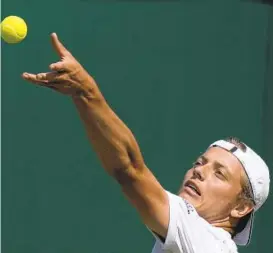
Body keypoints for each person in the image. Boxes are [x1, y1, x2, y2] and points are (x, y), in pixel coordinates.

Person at [22, 33, 271, 253]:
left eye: (220, 174)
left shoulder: (206, 243)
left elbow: (129, 170)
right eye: (200, 162)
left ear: (241, 207)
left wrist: (86, 92)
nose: (200, 171)